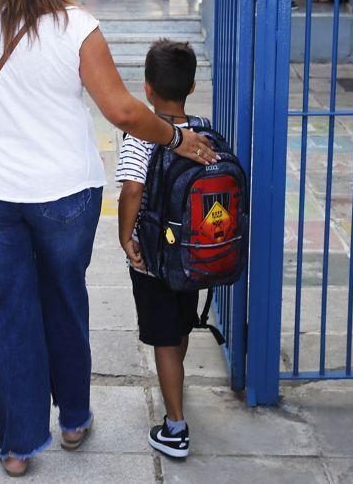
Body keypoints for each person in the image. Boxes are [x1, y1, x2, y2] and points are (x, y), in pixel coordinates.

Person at [0, 0, 216, 478]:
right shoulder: (77, 26)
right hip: (65, 193)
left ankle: (17, 446)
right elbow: (119, 109)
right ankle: (71, 418)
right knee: (64, 297)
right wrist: (176, 138)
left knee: (7, 313)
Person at [116, 39, 201, 459]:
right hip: (191, 255)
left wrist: (124, 235)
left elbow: (132, 189)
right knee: (180, 328)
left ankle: (175, 426)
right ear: (193, 86)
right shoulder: (202, 131)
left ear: (146, 89)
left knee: (164, 340)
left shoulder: (140, 136)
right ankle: (177, 386)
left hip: (154, 259)